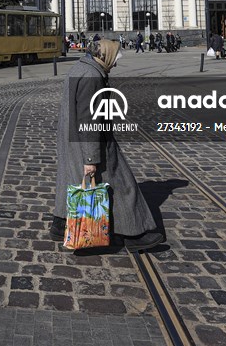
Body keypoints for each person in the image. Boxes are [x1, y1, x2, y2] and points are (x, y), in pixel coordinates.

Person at [49, 39, 163, 251]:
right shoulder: (92, 76)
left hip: (72, 139)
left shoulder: (80, 66)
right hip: (90, 142)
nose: (116, 64)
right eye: (115, 59)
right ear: (105, 56)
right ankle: (134, 232)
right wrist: (91, 158)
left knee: (70, 178)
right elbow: (89, 118)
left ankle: (60, 223)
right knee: (122, 184)